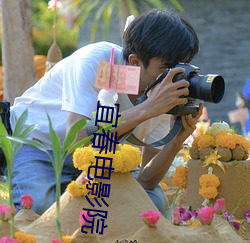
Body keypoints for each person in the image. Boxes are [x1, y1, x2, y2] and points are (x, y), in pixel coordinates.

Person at [7, 9, 202, 215]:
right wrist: (147, 109)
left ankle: (69, 198)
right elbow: (76, 139)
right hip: (37, 143)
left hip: (98, 156)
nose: (176, 75)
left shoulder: (165, 90)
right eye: (167, 67)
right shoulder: (96, 62)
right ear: (135, 62)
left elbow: (146, 180)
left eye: (182, 65)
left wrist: (176, 140)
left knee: (152, 202)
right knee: (39, 207)